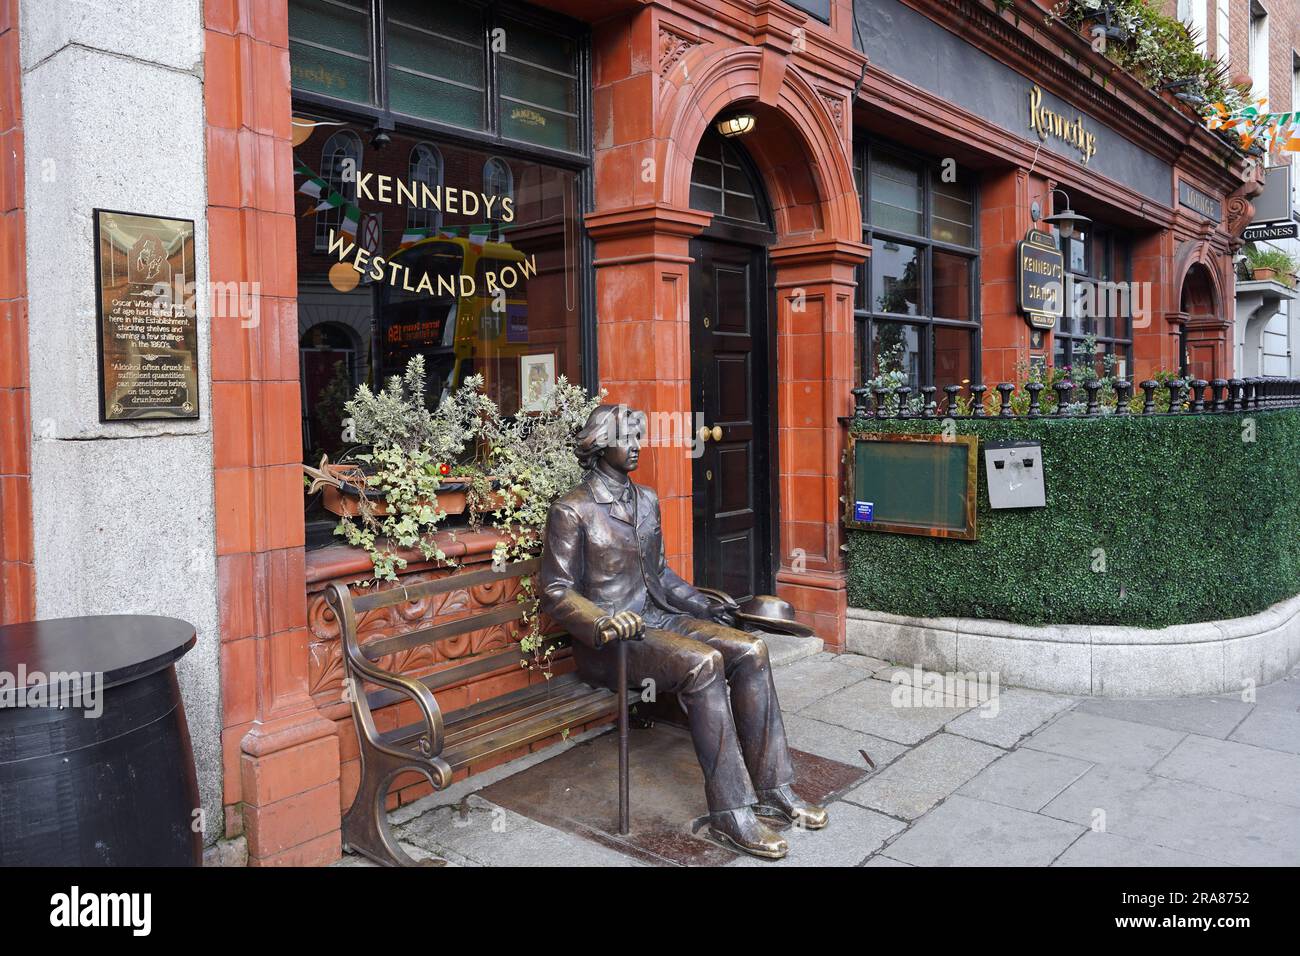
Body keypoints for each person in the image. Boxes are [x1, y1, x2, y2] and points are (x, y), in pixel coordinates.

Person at [538, 404, 828, 859]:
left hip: (658, 617)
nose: (636, 446)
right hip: (613, 640)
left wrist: (713, 608)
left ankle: (774, 788)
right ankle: (730, 813)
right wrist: (602, 620)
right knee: (703, 663)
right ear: (599, 443)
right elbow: (555, 592)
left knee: (751, 650)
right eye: (625, 438)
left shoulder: (647, 499)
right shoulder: (573, 510)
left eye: (639, 436)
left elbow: (661, 576)